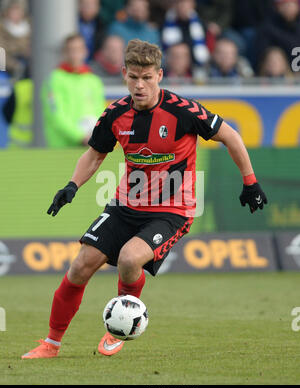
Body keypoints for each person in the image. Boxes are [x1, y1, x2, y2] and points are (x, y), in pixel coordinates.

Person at [21, 39, 267, 359]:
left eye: (147, 77)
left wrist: (250, 182)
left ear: (159, 75)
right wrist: (72, 185)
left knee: (128, 258)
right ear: (124, 74)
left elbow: (230, 136)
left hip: (172, 210)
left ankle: (120, 327)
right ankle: (50, 345)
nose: (140, 85)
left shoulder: (183, 110)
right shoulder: (115, 114)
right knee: (80, 266)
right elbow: (95, 154)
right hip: (126, 204)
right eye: (134, 77)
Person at [41, 33, 106, 148]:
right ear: (64, 53)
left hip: (88, 145)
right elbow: (55, 115)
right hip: (62, 147)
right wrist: (80, 137)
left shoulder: (93, 80)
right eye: (71, 50)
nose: (75, 54)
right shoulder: (55, 79)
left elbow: (100, 112)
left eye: (78, 49)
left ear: (85, 51)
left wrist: (96, 134)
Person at [161, 0, 210, 67]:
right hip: (172, 65)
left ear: (192, 4)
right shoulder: (166, 22)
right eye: (179, 2)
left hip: (196, 65)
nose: (182, 6)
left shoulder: (201, 23)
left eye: (185, 2)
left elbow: (205, 48)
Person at [255, 0, 300, 69]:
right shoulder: (268, 27)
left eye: (292, 4)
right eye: (285, 4)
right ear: (278, 7)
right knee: (275, 56)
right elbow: (261, 55)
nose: (289, 8)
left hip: (296, 71)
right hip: (280, 73)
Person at [0, 0, 31, 79]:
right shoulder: (2, 29)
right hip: (9, 69)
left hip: (29, 65)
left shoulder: (30, 26)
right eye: (13, 10)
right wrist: (15, 65)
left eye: (18, 10)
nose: (16, 14)